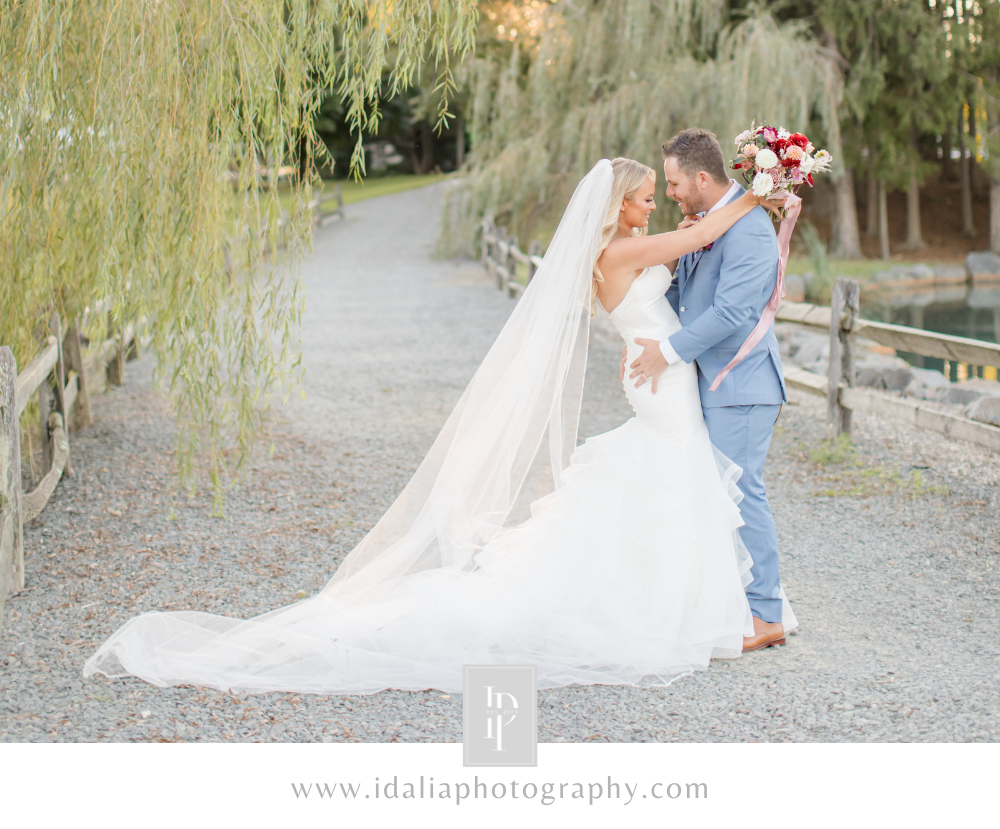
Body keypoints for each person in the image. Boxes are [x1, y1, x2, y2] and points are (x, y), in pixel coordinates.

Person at [84, 155, 787, 695]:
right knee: (674, 476)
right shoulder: (620, 254)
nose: (650, 205)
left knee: (668, 483)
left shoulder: (617, 252)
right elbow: (707, 229)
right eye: (641, 198)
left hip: (660, 383)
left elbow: (697, 238)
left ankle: (694, 597)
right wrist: (765, 185)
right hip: (661, 387)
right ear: (617, 207)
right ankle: (687, 604)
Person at [627, 128, 790, 651]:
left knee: (742, 494)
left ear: (701, 177)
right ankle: (734, 601)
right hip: (714, 383)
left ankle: (765, 615)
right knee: (720, 493)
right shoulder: (711, 223)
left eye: (673, 183)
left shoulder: (748, 229)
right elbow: (685, 299)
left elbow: (733, 312)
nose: (670, 193)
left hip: (742, 385)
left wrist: (668, 352)